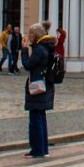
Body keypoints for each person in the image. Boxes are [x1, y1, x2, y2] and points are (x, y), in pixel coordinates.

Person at [22, 22, 58, 159]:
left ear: (35, 35)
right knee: (40, 118)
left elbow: (28, 65)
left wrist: (24, 50)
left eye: (30, 33)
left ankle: (37, 150)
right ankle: (43, 149)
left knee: (35, 120)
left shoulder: (39, 49)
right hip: (45, 85)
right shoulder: (46, 47)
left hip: (38, 87)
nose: (29, 35)